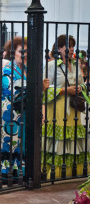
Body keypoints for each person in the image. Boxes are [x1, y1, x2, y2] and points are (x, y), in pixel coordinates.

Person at [42, 35, 89, 179]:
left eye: (72, 46)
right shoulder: (50, 66)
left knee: (73, 137)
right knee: (58, 139)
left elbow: (82, 83)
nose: (70, 49)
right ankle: (54, 173)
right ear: (59, 48)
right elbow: (44, 88)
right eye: (67, 46)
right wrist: (64, 90)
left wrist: (80, 88)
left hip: (74, 107)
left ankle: (73, 172)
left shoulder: (75, 64)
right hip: (57, 107)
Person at [0, 36, 27, 182]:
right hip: (9, 113)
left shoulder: (28, 69)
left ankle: (20, 171)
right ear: (13, 52)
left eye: (26, 51)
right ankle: (7, 173)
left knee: (21, 142)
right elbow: (9, 92)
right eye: (22, 51)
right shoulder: (7, 69)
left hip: (23, 112)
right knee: (9, 143)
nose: (24, 54)